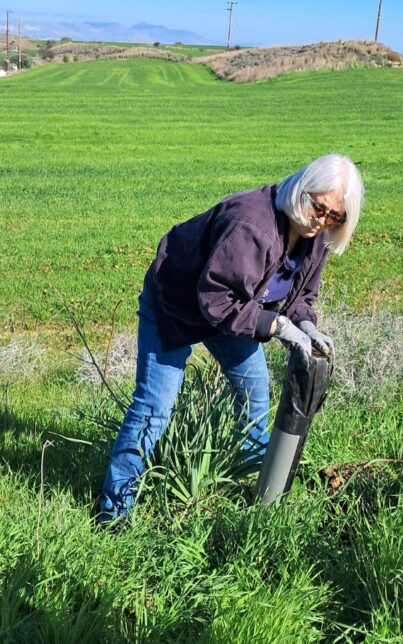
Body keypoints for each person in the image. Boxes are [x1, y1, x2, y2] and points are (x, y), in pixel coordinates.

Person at [98, 153, 364, 524]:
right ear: (303, 192)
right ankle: (114, 514)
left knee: (255, 393)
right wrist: (278, 327)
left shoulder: (313, 238)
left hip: (234, 310)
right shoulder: (251, 223)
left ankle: (257, 491)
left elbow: (302, 296)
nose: (323, 221)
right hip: (176, 305)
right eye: (319, 209)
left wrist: (306, 326)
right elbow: (217, 299)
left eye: (335, 217)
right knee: (153, 409)